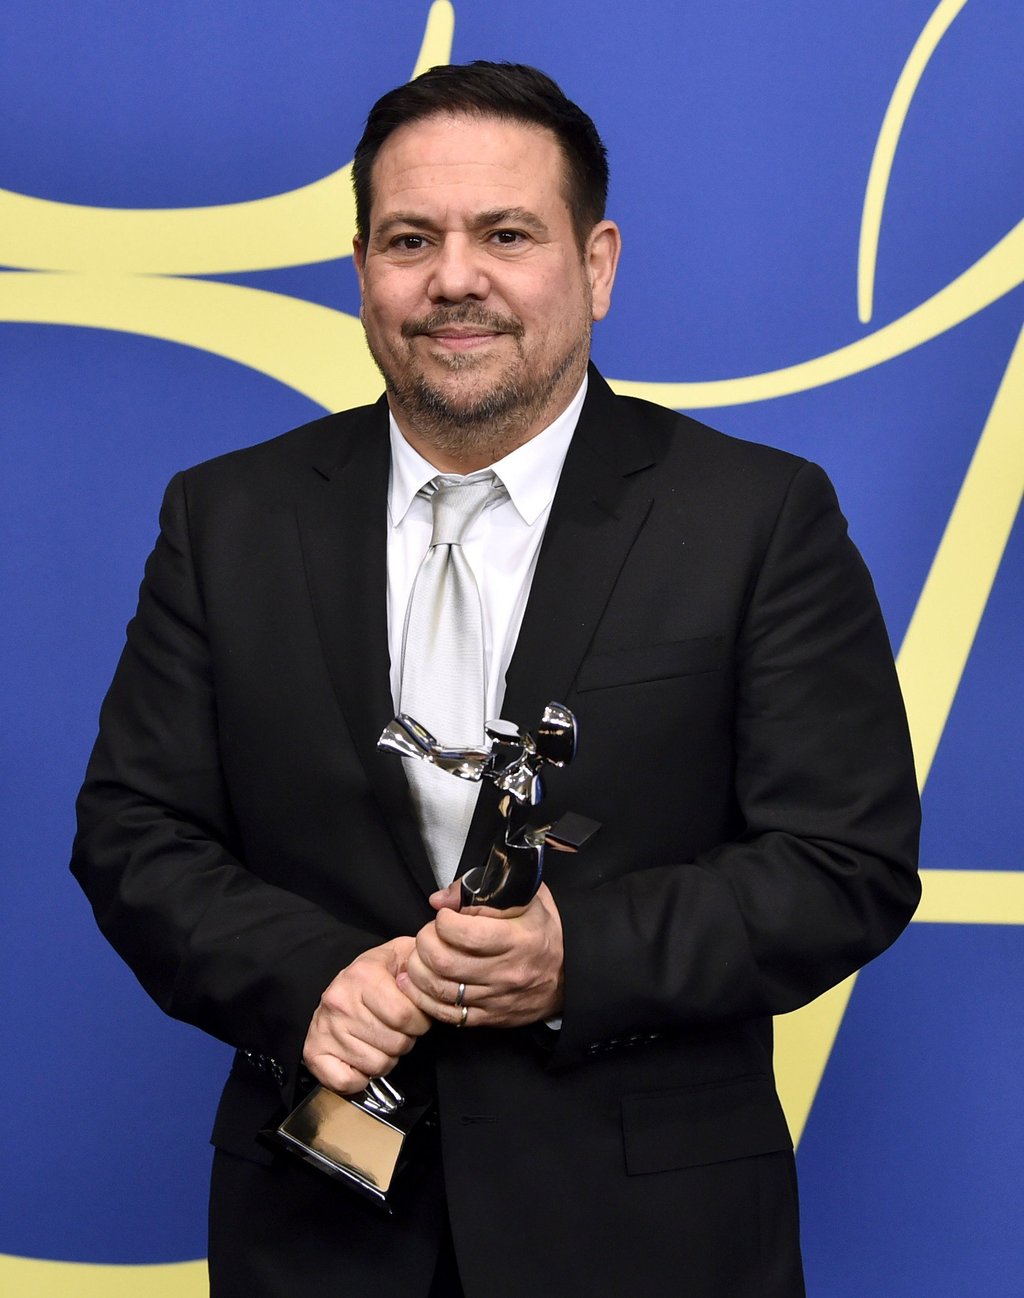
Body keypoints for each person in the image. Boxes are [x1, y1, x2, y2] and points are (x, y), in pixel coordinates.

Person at [72, 61, 921, 1298]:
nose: (453, 278)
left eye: (506, 234)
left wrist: (577, 953)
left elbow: (844, 859)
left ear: (597, 264)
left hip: (651, 1240)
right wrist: (309, 975)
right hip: (318, 1235)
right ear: (363, 265)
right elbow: (133, 829)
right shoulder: (225, 515)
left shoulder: (758, 515)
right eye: (411, 238)